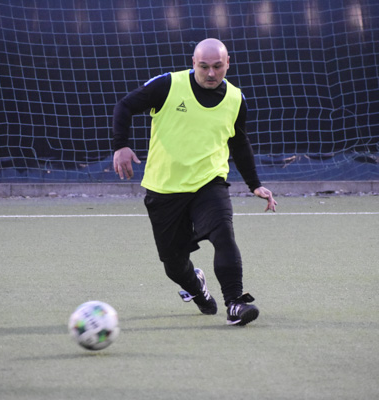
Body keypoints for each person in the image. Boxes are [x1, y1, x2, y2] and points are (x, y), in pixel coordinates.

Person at [112, 38, 277, 326]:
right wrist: (120, 146)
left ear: (228, 63)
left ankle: (235, 303)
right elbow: (124, 106)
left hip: (209, 182)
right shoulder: (167, 85)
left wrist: (254, 184)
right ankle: (197, 288)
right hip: (164, 188)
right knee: (174, 265)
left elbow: (239, 142)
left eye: (217, 66)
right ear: (193, 63)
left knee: (223, 234)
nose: (211, 73)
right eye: (204, 67)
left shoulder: (236, 98)